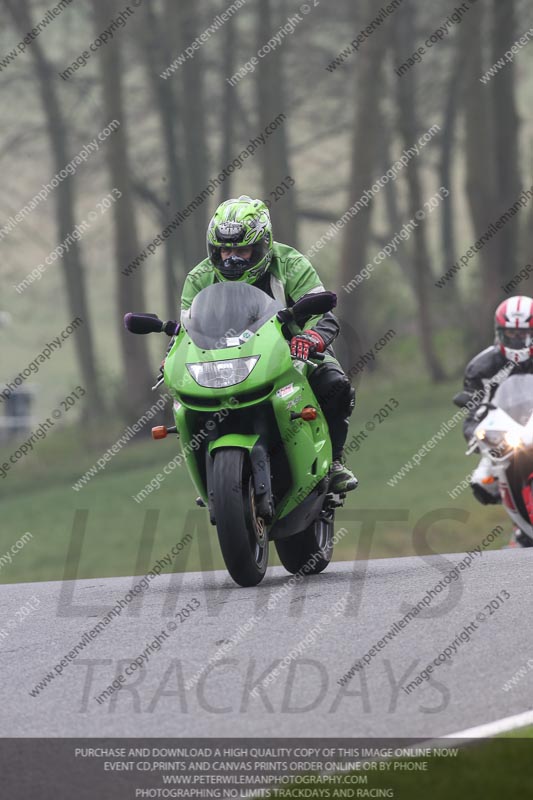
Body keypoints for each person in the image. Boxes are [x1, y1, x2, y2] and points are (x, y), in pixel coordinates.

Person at [179, 195, 358, 493]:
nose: (232, 259)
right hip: (219, 361)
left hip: (291, 353)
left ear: (263, 244)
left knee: (335, 385)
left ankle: (335, 462)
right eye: (225, 251)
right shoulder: (199, 277)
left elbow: (323, 316)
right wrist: (171, 356)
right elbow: (186, 329)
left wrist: (310, 338)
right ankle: (211, 477)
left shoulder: (291, 263)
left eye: (243, 250)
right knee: (185, 405)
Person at [461, 295, 533, 546]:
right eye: (510, 334)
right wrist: (476, 433)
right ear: (499, 332)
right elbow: (471, 413)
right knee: (482, 484)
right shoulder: (481, 366)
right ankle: (522, 530)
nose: (516, 339)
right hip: (508, 433)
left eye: (522, 334)